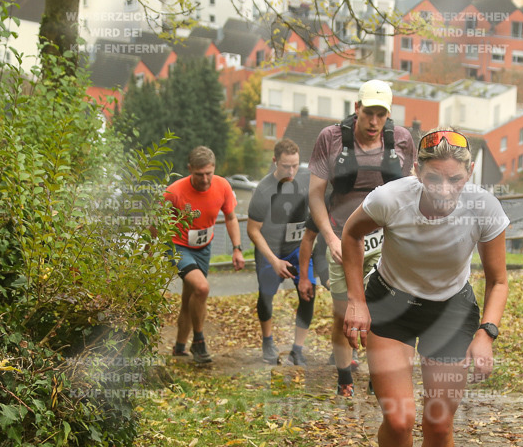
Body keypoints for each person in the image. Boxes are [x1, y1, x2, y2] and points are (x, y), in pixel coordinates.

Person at [340, 127, 509, 447]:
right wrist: (357, 301)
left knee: (438, 422)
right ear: (417, 170)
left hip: (451, 311)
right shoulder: (390, 199)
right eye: (434, 178)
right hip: (391, 304)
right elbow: (351, 235)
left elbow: (499, 280)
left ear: (469, 174)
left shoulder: (483, 208)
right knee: (398, 419)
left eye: (455, 179)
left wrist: (486, 332)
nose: (445, 189)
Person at [307, 79, 415, 396]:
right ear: (357, 109)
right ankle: (344, 379)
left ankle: (378, 374)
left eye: (381, 114)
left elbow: (411, 190)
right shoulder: (330, 139)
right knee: (344, 312)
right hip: (342, 238)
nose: (374, 122)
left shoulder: (402, 141)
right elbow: (315, 195)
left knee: (383, 311)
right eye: (368, 113)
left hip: (386, 242)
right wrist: (329, 237)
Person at [164, 146, 245, 362]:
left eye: (209, 173)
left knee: (190, 298)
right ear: (190, 169)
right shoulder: (174, 192)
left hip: (204, 247)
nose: (205, 179)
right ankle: (199, 342)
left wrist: (237, 248)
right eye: (199, 174)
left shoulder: (223, 186)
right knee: (202, 288)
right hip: (178, 246)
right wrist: (148, 251)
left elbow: (230, 217)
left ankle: (180, 347)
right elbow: (156, 224)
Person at [247, 138, 317, 365]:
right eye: (286, 166)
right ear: (275, 161)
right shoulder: (264, 190)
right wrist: (274, 260)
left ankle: (297, 349)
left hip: (298, 249)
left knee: (308, 293)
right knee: (266, 297)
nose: (291, 170)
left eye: (295, 165)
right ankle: (268, 340)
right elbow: (253, 231)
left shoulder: (306, 179)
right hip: (271, 250)